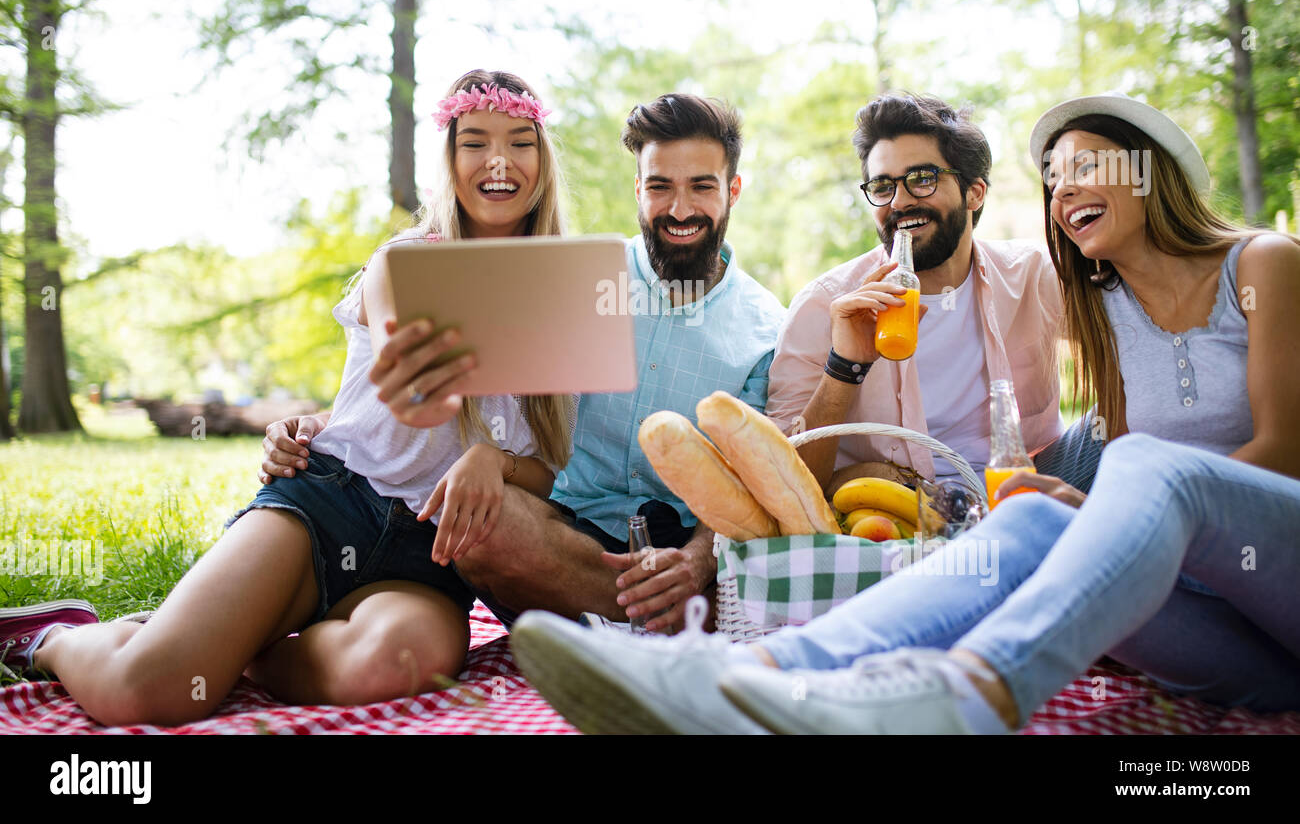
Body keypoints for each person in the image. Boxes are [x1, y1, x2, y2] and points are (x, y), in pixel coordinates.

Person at [507, 94, 1300, 735]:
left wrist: (1104, 508)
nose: (1064, 193)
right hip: (1225, 634)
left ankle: (962, 698)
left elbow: (1282, 453)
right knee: (1022, 528)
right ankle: (751, 679)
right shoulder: (1099, 302)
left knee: (1126, 470)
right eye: (1055, 179)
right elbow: (785, 464)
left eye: (1088, 168)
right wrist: (850, 364)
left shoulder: (1258, 264)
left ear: (1151, 174)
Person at [0, 69, 576, 725]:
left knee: (398, 664)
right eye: (474, 142)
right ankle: (57, 639)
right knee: (146, 694)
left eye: (519, 143)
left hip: (427, 556)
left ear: (541, 159)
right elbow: (408, 381)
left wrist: (493, 463)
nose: (499, 162)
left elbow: (545, 470)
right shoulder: (404, 262)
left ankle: (248, 649)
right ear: (450, 159)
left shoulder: (563, 293)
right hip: (329, 503)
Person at [264, 93, 786, 636]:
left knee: (712, 567)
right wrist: (322, 424)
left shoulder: (765, 328)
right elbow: (457, 377)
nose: (680, 209)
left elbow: (744, 477)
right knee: (483, 526)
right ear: (638, 190)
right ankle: (659, 618)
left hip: (678, 542)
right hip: (560, 532)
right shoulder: (569, 277)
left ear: (733, 190)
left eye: (701, 186)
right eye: (660, 186)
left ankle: (643, 608)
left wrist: (699, 561)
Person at [768, 92, 1099, 496]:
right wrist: (845, 367)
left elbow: (1132, 338)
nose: (900, 201)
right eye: (883, 185)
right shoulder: (823, 305)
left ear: (974, 192)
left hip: (1024, 490)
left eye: (922, 179)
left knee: (1121, 428)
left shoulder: (1033, 275)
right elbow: (783, 483)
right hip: (902, 508)